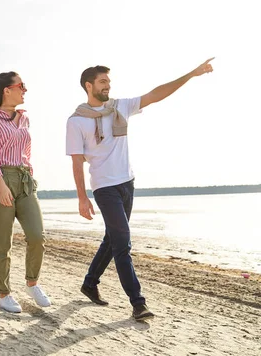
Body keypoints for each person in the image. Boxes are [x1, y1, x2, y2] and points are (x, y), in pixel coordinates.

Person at [66, 58, 215, 321]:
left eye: (109, 82)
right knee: (123, 244)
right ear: (88, 85)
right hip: (104, 188)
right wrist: (82, 197)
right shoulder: (77, 121)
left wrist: (191, 74)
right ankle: (138, 303)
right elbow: (77, 161)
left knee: (113, 239)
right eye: (103, 82)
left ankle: (90, 283)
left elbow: (156, 94)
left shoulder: (119, 107)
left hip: (127, 183)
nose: (107, 86)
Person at [0, 72, 50, 313]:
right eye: (21, 86)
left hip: (24, 179)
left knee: (37, 235)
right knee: (3, 243)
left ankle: (32, 282)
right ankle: (4, 293)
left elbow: (27, 151)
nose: (25, 90)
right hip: (1, 178)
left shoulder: (24, 118)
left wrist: (29, 174)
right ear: (6, 90)